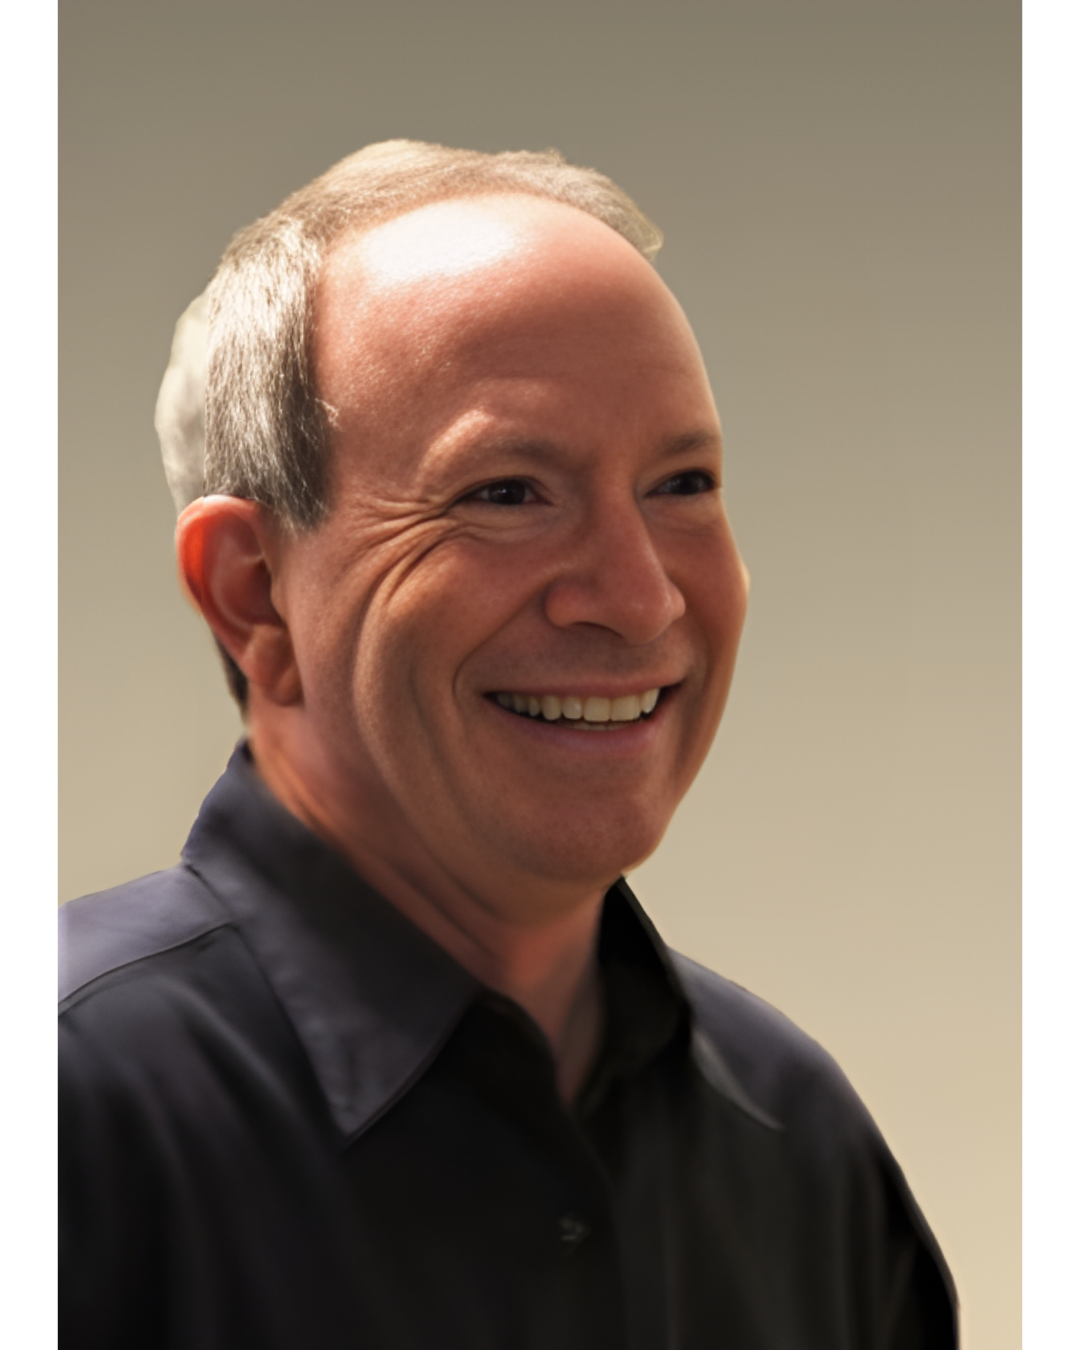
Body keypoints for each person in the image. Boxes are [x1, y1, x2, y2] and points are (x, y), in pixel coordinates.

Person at [57, 141, 957, 1349]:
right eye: (506, 493)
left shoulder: (800, 1143)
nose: (639, 601)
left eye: (682, 483)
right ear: (255, 595)